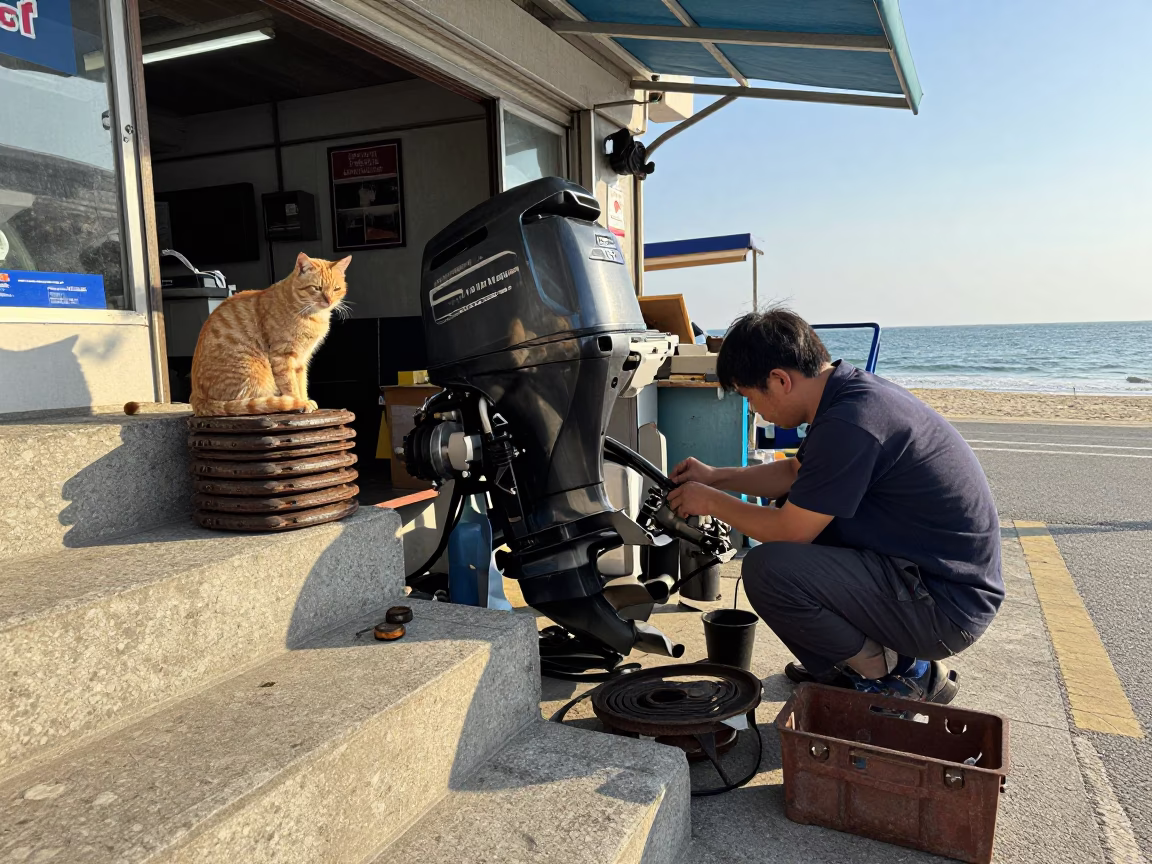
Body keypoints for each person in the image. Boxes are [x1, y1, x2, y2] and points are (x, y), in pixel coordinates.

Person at [668, 309, 1002, 703]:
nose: (755, 411)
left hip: (944, 608)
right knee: (803, 512)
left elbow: (790, 531)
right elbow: (794, 473)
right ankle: (854, 664)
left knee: (770, 570)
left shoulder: (851, 423)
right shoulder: (849, 394)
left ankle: (896, 677)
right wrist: (716, 477)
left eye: (750, 397)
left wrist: (711, 501)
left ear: (779, 380)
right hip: (931, 580)